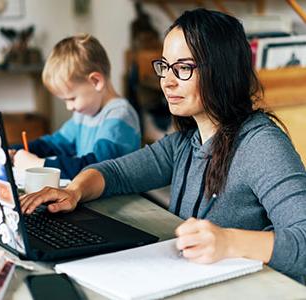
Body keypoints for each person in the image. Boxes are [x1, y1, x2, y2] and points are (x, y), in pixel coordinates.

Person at [19, 9, 306, 283]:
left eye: (182, 68)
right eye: (165, 67)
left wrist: (229, 241)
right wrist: (73, 191)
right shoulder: (184, 142)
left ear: (223, 70)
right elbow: (116, 172)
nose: (166, 82)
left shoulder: (262, 145)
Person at [10, 34, 141, 179]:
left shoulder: (120, 116)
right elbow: (55, 144)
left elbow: (95, 167)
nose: (69, 107)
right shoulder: (84, 113)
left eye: (72, 98)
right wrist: (14, 150)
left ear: (96, 81)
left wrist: (39, 164)